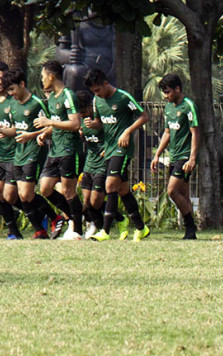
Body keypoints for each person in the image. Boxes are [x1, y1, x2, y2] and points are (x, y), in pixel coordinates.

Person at [88, 68, 150, 240]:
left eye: (98, 90)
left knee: (110, 185)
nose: (96, 94)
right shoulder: (97, 100)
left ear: (106, 83)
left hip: (122, 149)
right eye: (93, 91)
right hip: (108, 149)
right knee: (123, 190)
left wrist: (127, 131)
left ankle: (105, 231)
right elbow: (100, 123)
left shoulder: (123, 97)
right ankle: (141, 228)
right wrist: (93, 124)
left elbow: (144, 116)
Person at [0, 69, 50, 238]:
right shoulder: (13, 105)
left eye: (12, 89)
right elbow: (16, 129)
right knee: (13, 195)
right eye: (8, 91)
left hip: (34, 152)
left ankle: (53, 218)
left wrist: (31, 136)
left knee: (26, 194)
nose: (11, 94)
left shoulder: (36, 103)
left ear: (22, 84)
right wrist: (2, 130)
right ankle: (40, 230)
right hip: (18, 154)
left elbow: (51, 126)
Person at [34, 60, 83, 239]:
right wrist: (45, 133)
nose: (42, 80)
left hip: (69, 150)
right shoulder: (53, 97)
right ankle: (73, 217)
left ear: (51, 76)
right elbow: (57, 123)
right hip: (54, 150)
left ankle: (77, 230)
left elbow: (75, 124)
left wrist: (49, 122)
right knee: (45, 188)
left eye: (43, 76)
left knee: (69, 191)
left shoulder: (68, 95)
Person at [151, 73, 198, 240]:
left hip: (184, 156)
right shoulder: (169, 108)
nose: (166, 96)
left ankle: (190, 225)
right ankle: (191, 232)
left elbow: (195, 132)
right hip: (173, 155)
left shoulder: (188, 106)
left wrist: (192, 158)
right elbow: (167, 132)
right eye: (164, 93)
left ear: (177, 89)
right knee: (183, 194)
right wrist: (157, 155)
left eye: (168, 92)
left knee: (172, 191)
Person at [0, 62, 22, 238]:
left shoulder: (14, 101)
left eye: (2, 78)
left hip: (14, 154)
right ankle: (13, 232)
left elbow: (20, 128)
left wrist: (3, 130)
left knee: (11, 196)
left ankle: (41, 213)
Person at [77, 90, 107, 239]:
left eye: (84, 111)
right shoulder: (83, 122)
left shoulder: (101, 118)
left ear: (91, 106)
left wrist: (108, 148)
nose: (82, 115)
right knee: (87, 200)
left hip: (102, 163)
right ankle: (98, 226)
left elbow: (113, 134)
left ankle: (119, 219)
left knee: (95, 201)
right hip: (89, 163)